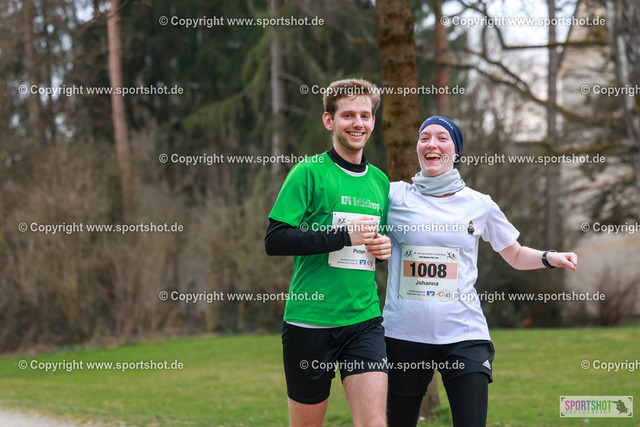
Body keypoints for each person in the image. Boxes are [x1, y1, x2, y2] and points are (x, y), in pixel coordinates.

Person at [383, 116, 578, 427]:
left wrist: (548, 257)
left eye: (442, 138)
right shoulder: (393, 196)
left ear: (456, 151)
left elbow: (515, 254)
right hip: (404, 333)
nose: (432, 144)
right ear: (417, 147)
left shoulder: (480, 204)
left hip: (464, 332)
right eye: (425, 137)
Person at [265, 78, 392, 427]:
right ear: (329, 121)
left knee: (374, 423)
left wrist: (383, 248)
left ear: (373, 121)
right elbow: (276, 240)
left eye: (364, 115)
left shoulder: (380, 182)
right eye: (348, 115)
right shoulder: (308, 173)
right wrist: (341, 236)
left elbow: (374, 242)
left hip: (363, 320)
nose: (357, 123)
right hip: (310, 321)